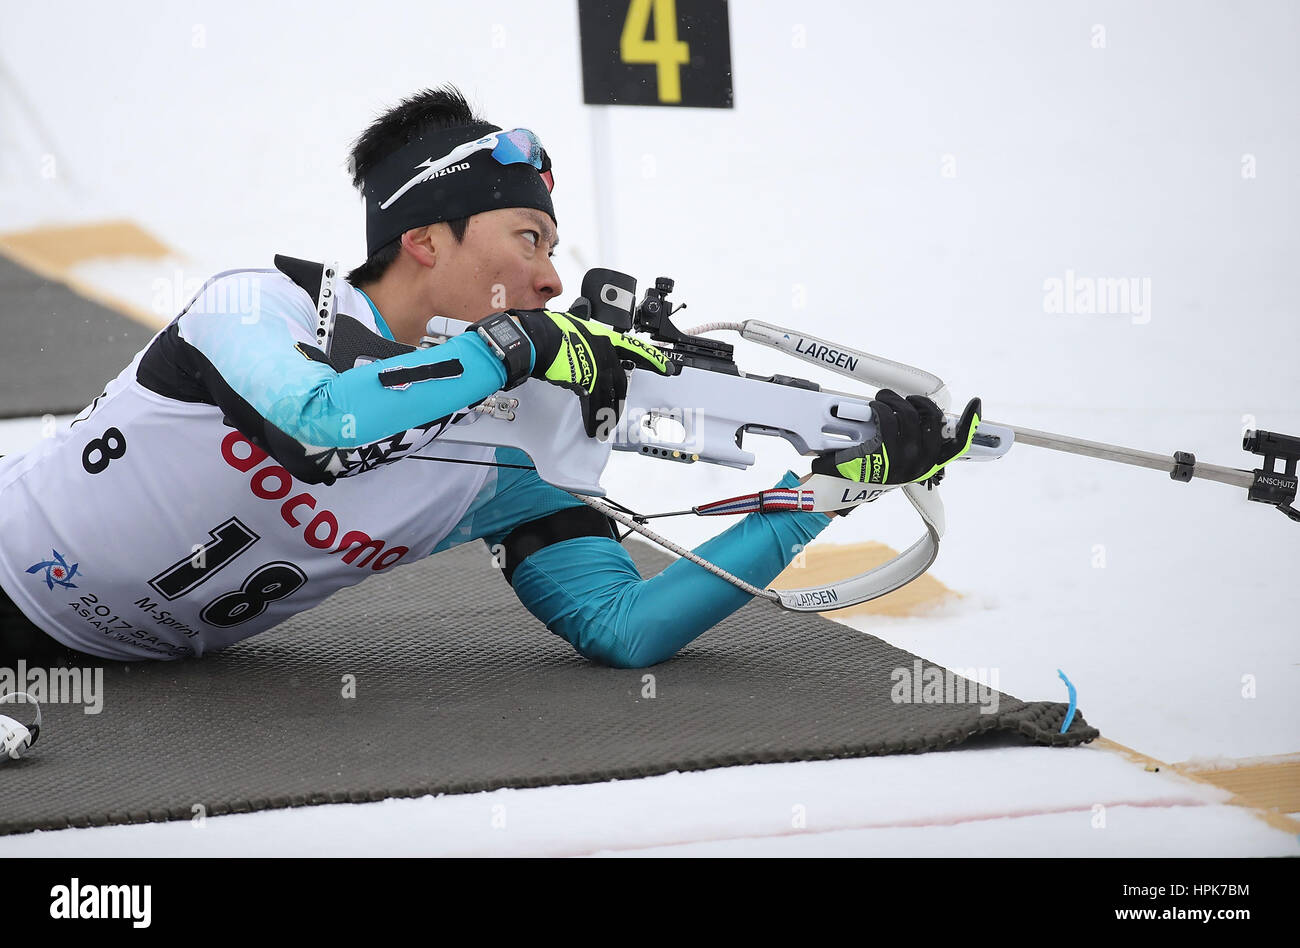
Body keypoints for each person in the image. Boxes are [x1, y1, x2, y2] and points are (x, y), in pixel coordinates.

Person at [0, 85, 979, 669]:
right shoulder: (258, 306)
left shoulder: (515, 447)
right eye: (527, 239)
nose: (552, 278)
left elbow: (622, 630)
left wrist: (819, 495)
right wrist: (510, 349)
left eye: (555, 249)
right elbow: (317, 425)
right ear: (424, 240)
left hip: (131, 676)